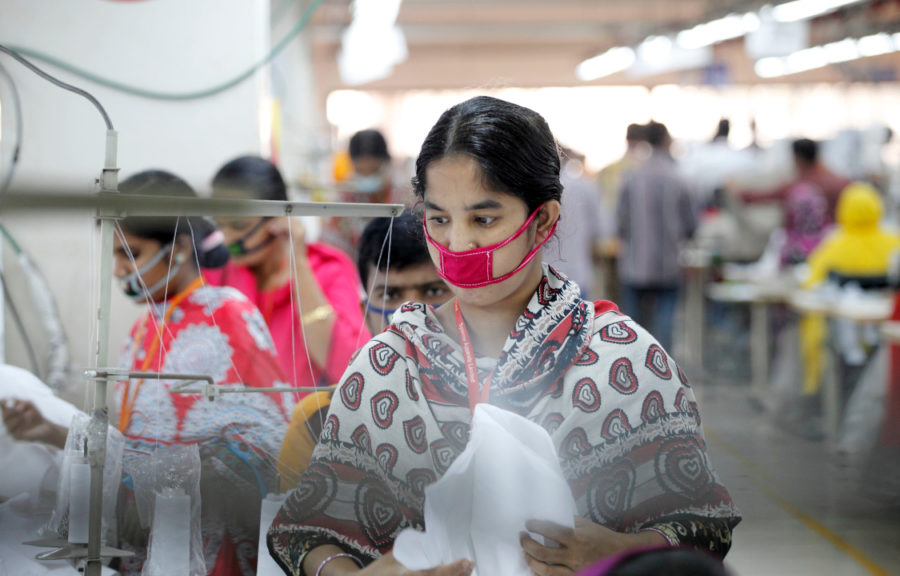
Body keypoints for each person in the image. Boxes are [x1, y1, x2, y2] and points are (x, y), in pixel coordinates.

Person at [267, 96, 740, 576]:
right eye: (439, 219)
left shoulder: (626, 361)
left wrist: (622, 550)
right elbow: (308, 531)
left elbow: (701, 525)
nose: (457, 244)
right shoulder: (387, 363)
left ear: (544, 223)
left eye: (483, 219)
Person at [4, 170, 291, 575]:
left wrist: (171, 474)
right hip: (143, 546)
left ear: (179, 249)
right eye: (115, 255)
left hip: (210, 549)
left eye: (131, 254)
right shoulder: (143, 329)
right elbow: (128, 445)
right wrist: (51, 431)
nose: (119, 270)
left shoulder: (230, 313)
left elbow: (272, 443)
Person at [275, 212, 451, 492]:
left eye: (432, 291)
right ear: (365, 314)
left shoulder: (497, 406)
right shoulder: (317, 420)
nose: (409, 313)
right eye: (390, 295)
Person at [206, 156, 370, 392]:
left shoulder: (329, 269)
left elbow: (348, 366)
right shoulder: (218, 277)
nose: (228, 238)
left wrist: (299, 265)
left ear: (277, 218)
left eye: (238, 226)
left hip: (306, 426)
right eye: (220, 225)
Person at [616, 121, 698, 352]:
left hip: (635, 264)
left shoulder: (632, 178)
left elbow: (620, 222)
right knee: (664, 329)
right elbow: (692, 225)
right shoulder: (679, 179)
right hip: (668, 264)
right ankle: (662, 376)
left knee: (633, 330)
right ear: (665, 140)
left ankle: (631, 373)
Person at [740, 138, 851, 224]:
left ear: (798, 158)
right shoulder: (838, 181)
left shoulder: (797, 186)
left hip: (805, 245)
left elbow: (764, 196)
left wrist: (738, 191)